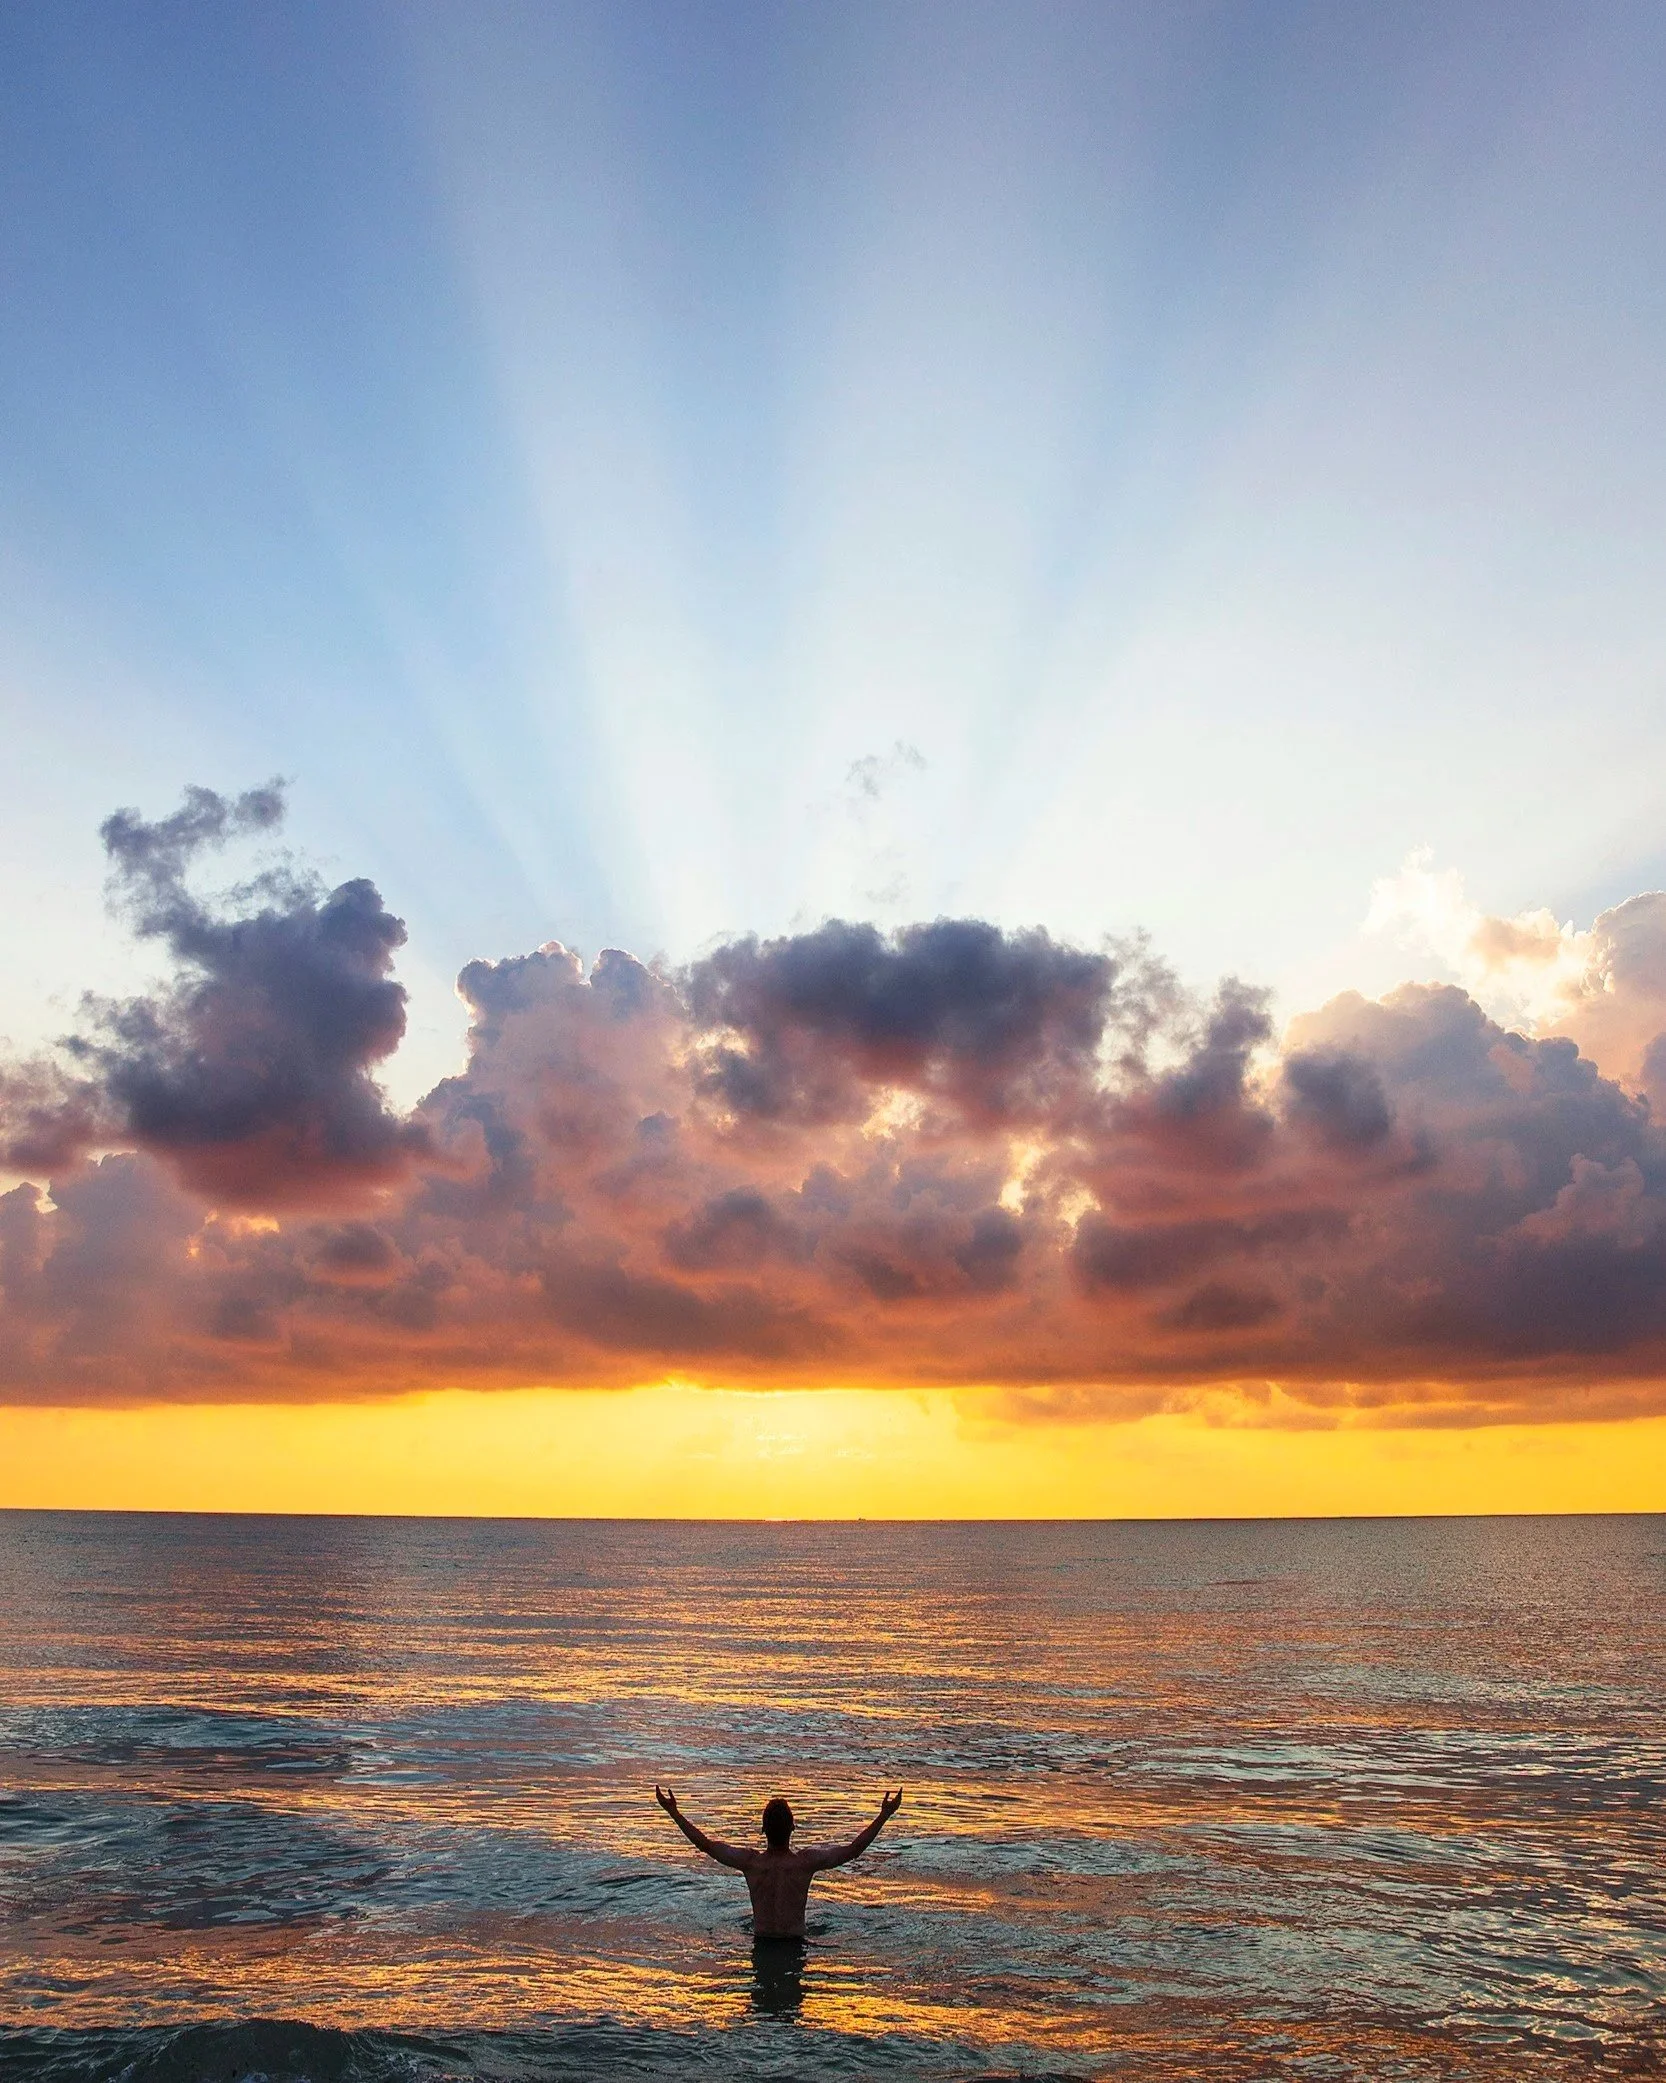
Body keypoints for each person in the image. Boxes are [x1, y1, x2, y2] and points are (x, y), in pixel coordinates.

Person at [654, 1784, 902, 1940]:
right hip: (796, 1945)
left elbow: (705, 1845)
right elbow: (854, 1850)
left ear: (763, 1830)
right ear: (793, 1828)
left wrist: (673, 1812)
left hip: (760, 1943)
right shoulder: (804, 1864)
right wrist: (884, 1815)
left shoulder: (751, 1864)